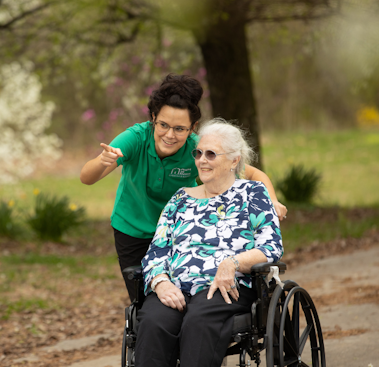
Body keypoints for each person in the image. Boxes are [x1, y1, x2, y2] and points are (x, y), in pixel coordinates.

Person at [80, 74, 287, 302]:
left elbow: (253, 174)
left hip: (178, 233)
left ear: (192, 128)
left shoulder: (197, 150)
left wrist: (272, 200)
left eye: (179, 128)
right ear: (153, 119)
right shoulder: (135, 139)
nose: (169, 135)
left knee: (183, 295)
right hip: (133, 230)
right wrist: (102, 161)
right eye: (163, 125)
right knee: (144, 301)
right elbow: (86, 178)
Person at [135, 118, 283, 367]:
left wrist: (234, 263)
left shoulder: (253, 193)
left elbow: (271, 247)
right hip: (175, 289)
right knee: (153, 322)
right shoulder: (180, 199)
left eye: (211, 154)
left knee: (199, 322)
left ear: (234, 160)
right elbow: (157, 249)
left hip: (225, 288)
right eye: (198, 153)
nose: (202, 160)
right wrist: (160, 283)